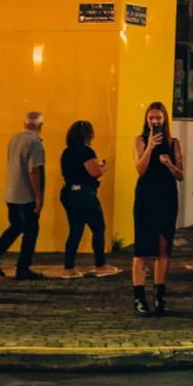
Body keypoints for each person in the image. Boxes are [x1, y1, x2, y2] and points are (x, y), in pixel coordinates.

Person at [130, 101, 182, 315]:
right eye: (151, 118)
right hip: (146, 195)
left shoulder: (174, 143)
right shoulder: (140, 141)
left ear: (165, 120)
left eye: (158, 118)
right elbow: (140, 169)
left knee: (163, 246)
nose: (154, 121)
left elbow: (181, 175)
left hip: (167, 195)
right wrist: (150, 146)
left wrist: (170, 164)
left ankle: (160, 296)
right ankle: (139, 297)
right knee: (142, 248)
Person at [0, 111, 47, 281]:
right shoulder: (35, 142)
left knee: (16, 226)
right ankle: (23, 268)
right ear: (40, 125)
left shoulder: (15, 139)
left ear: (24, 122)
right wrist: (38, 197)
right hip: (26, 195)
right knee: (31, 231)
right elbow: (34, 170)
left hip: (11, 192)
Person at [57, 118, 114, 277]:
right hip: (85, 194)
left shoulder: (66, 152)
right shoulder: (87, 152)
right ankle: (100, 265)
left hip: (69, 193)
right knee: (98, 228)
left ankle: (68, 267)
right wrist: (103, 168)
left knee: (75, 230)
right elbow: (95, 172)